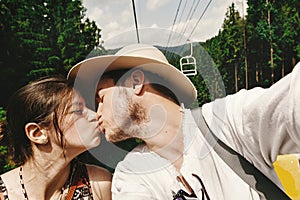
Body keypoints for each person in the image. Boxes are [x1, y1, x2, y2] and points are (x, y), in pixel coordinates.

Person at [67, 43, 300, 199]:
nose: (96, 113)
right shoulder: (131, 173)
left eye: (101, 98)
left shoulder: (226, 120)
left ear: (135, 82)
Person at [0, 76, 112, 200]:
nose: (95, 115)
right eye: (78, 111)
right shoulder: (4, 193)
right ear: (37, 133)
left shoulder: (99, 183)